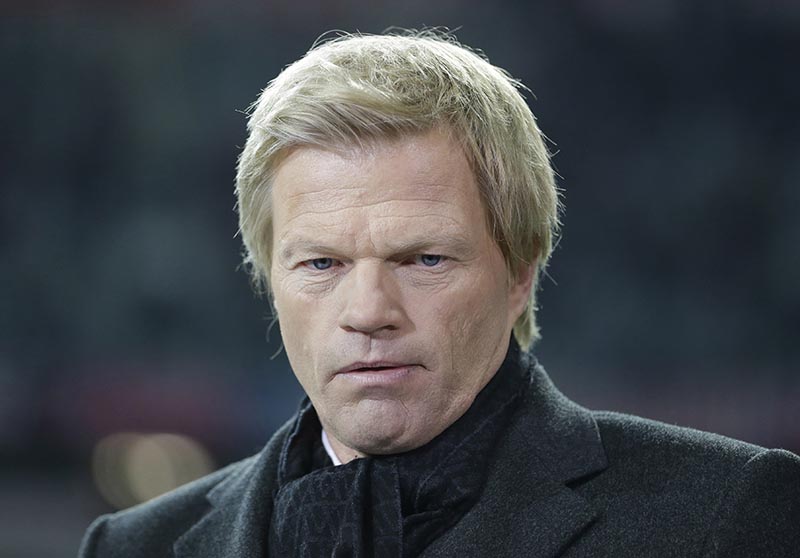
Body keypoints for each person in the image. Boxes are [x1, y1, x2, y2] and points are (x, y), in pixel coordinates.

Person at [79, 31, 800, 558]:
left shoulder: (729, 514)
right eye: (321, 264)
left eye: (423, 259)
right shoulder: (131, 545)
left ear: (521, 272)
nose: (367, 313)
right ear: (269, 279)